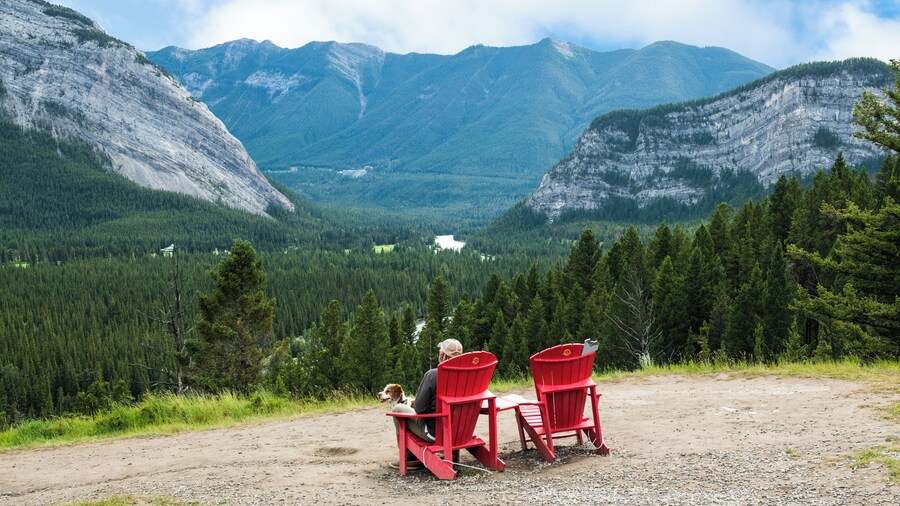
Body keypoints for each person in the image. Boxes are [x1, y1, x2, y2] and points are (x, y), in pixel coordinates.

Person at [389, 338, 463, 469]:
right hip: (459, 432)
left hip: (434, 433)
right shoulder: (468, 376)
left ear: (442, 356)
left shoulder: (432, 375)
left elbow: (419, 409)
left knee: (398, 408)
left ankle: (409, 457)